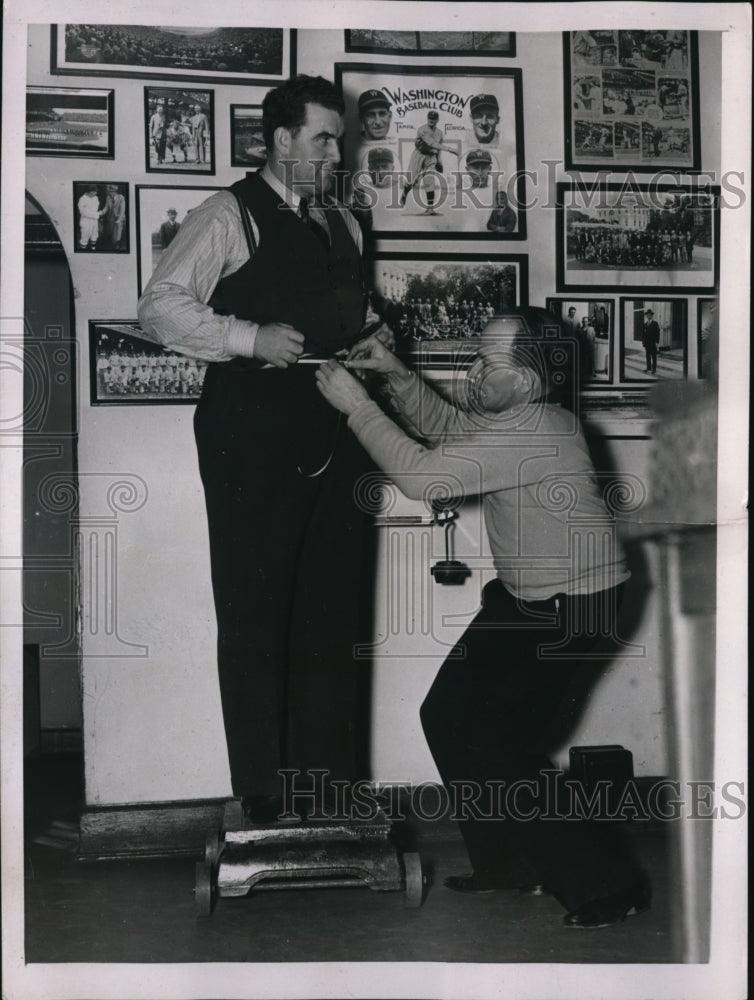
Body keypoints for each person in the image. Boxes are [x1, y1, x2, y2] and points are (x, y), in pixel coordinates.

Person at [315, 307, 648, 929]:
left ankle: (611, 886)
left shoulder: (531, 431)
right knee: (445, 714)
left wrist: (357, 406)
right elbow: (449, 427)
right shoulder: (518, 417)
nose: (473, 368)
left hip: (575, 604)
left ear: (524, 381)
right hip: (528, 597)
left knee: (502, 746)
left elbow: (421, 477)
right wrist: (393, 372)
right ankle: (508, 862)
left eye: (488, 360)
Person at [138, 74, 391, 821]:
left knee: (332, 615)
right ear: (281, 141)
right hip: (250, 439)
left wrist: (374, 341)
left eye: (338, 140)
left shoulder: (345, 222)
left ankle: (329, 795)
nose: (334, 153)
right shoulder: (228, 212)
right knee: (255, 617)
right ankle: (265, 802)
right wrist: (247, 338)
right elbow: (160, 306)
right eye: (322, 139)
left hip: (337, 434)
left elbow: (345, 314)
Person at [399, 110, 444, 214]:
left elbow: (439, 149)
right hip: (419, 155)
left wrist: (439, 162)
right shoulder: (422, 130)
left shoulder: (440, 133)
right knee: (411, 180)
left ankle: (430, 208)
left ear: (437, 120)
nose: (431, 120)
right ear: (427, 118)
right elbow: (430, 143)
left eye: (433, 118)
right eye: (430, 118)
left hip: (431, 157)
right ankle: (405, 193)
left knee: (429, 181)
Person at [77, 184, 104, 251]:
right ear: (90, 192)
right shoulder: (82, 199)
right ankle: (83, 252)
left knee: (94, 236)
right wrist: (98, 214)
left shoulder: (96, 197)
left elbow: (97, 207)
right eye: (95, 191)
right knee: (85, 237)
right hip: (86, 221)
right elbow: (84, 212)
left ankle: (93, 250)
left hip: (94, 221)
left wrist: (98, 213)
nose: (96, 193)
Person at [103, 184, 127, 250]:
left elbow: (122, 210)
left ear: (115, 192)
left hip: (120, 216)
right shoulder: (108, 197)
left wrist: (119, 219)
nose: (110, 193)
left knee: (118, 228)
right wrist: (101, 212)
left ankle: (117, 243)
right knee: (110, 232)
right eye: (109, 192)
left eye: (111, 192)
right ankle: (113, 243)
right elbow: (106, 208)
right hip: (111, 217)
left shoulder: (121, 197)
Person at [642, 308, 660, 374]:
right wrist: (643, 343)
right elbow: (643, 334)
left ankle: (654, 369)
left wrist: (657, 342)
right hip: (647, 344)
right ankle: (648, 368)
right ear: (646, 316)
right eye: (647, 315)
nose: (648, 316)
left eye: (650, 315)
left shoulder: (655, 323)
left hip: (653, 343)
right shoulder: (645, 324)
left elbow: (657, 333)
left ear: (652, 316)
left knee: (654, 356)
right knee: (647, 356)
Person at [149, 100, 167, 165]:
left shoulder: (164, 116)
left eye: (161, 109)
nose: (160, 110)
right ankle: (158, 159)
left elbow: (165, 125)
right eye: (159, 109)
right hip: (156, 134)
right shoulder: (153, 117)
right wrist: (151, 134)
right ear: (157, 110)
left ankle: (162, 159)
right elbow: (151, 126)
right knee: (157, 147)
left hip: (163, 134)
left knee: (163, 147)